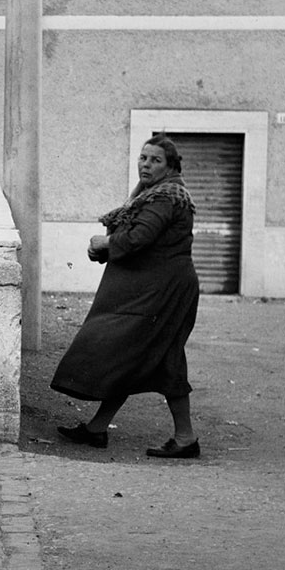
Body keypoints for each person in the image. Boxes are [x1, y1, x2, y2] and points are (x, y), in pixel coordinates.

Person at [50, 135, 201, 459]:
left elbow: (139, 237)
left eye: (155, 160)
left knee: (132, 352)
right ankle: (99, 429)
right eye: (143, 157)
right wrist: (106, 250)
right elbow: (138, 240)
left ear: (170, 167)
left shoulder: (166, 197)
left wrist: (104, 245)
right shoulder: (154, 193)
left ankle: (183, 438)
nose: (146, 164)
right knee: (144, 358)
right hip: (155, 289)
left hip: (162, 293)